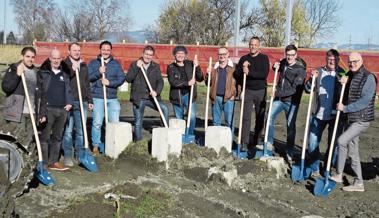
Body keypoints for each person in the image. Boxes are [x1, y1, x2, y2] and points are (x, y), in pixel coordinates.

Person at [331, 52, 377, 192]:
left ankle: (341, 175)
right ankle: (355, 181)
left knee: (341, 141)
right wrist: (342, 83)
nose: (352, 64)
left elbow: (364, 101)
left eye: (355, 61)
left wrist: (345, 108)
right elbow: (344, 94)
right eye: (350, 62)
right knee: (352, 149)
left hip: (361, 119)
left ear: (361, 61)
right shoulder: (350, 75)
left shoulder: (369, 77)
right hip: (352, 119)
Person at [304, 49, 345, 177]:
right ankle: (315, 167)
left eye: (334, 60)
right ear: (326, 59)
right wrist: (311, 78)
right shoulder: (319, 72)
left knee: (333, 144)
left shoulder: (342, 74)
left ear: (338, 60)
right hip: (318, 114)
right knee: (312, 142)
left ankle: (327, 167)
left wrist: (345, 82)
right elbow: (307, 89)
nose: (332, 62)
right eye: (329, 59)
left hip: (335, 116)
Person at [269, 44, 306, 162]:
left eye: (292, 55)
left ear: (296, 55)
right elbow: (278, 70)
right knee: (269, 116)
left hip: (291, 102)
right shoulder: (284, 62)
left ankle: (289, 150)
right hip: (279, 100)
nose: (289, 57)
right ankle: (269, 143)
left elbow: (295, 89)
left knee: (290, 126)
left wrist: (278, 93)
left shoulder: (300, 69)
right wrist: (275, 67)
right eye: (287, 54)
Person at [88, 41, 126, 155]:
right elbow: (88, 77)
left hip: (112, 97)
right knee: (97, 123)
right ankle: (96, 146)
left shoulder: (116, 64)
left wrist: (109, 82)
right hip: (98, 96)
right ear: (100, 50)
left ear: (110, 51)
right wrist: (99, 72)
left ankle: (112, 145)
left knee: (114, 123)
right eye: (103, 49)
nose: (105, 52)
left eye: (108, 50)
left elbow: (121, 79)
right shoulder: (94, 63)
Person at [38, 49, 73, 171]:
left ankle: (54, 162)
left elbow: (69, 90)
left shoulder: (65, 75)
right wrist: (41, 111)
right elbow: (40, 92)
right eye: (54, 58)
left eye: (59, 58)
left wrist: (69, 103)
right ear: (50, 58)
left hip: (62, 110)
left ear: (61, 59)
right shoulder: (44, 73)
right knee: (45, 137)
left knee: (57, 137)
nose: (56, 60)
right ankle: (43, 162)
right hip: (48, 109)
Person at [125, 45, 169, 141]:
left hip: (151, 98)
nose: (148, 57)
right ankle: (138, 142)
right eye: (146, 54)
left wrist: (156, 92)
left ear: (152, 56)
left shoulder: (155, 66)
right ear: (142, 54)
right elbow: (128, 79)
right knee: (138, 122)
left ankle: (165, 135)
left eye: (150, 55)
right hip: (139, 98)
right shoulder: (134, 64)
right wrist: (137, 67)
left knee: (164, 109)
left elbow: (160, 82)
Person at [234, 36, 269, 151]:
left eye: (255, 44)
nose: (253, 46)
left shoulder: (264, 58)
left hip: (261, 91)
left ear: (259, 46)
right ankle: (244, 142)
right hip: (248, 90)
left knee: (260, 117)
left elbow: (263, 74)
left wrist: (249, 72)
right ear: (249, 45)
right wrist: (243, 67)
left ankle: (257, 141)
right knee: (246, 117)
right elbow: (236, 74)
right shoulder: (244, 58)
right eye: (251, 44)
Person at [62, 42, 93, 166]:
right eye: (74, 50)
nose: (77, 52)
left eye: (78, 50)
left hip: (82, 102)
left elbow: (86, 84)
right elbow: (62, 81)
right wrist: (72, 71)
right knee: (68, 131)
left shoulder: (84, 65)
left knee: (81, 130)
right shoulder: (64, 65)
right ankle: (68, 155)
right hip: (68, 101)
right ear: (69, 51)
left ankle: (79, 154)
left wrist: (90, 100)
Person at [2, 47, 38, 146]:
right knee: (17, 141)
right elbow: (6, 88)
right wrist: (17, 75)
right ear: (22, 56)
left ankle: (27, 161)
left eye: (33, 57)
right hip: (17, 112)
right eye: (27, 56)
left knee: (28, 142)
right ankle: (16, 161)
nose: (30, 59)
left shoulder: (36, 71)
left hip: (32, 112)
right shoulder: (14, 68)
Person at [167, 45, 203, 136]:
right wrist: (187, 83)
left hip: (189, 95)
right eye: (178, 53)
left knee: (191, 117)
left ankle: (190, 135)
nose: (180, 55)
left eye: (182, 53)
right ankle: (181, 136)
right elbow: (173, 82)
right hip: (177, 96)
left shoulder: (191, 64)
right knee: (179, 119)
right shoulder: (171, 67)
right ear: (174, 55)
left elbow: (200, 78)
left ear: (185, 55)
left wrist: (197, 66)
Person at [207, 47, 237, 134]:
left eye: (224, 54)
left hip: (229, 98)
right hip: (216, 98)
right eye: (220, 54)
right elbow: (207, 83)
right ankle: (217, 142)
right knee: (216, 122)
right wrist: (208, 74)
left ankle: (228, 142)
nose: (222, 56)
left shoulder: (234, 68)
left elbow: (239, 83)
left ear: (228, 55)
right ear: (218, 55)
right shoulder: (214, 68)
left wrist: (235, 95)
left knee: (229, 122)